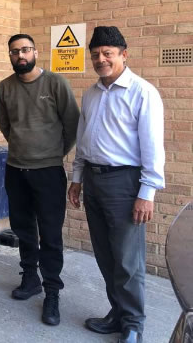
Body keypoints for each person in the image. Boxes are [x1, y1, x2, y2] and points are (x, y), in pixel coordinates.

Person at [68, 26, 165, 343]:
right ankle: (118, 313)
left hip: (125, 184)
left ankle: (134, 324)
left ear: (124, 54)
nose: (100, 59)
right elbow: (84, 140)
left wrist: (146, 194)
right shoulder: (91, 92)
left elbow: (152, 147)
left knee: (127, 259)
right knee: (105, 255)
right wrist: (77, 179)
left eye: (107, 53)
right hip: (93, 182)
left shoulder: (142, 92)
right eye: (95, 54)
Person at [0, 34, 80, 326]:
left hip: (48, 171)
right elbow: (6, 126)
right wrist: (23, 148)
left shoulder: (56, 84)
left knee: (50, 234)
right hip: (16, 170)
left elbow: (72, 125)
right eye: (15, 51)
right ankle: (30, 278)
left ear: (35, 52)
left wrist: (51, 153)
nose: (21, 55)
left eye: (26, 50)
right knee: (23, 229)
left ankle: (52, 292)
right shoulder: (4, 87)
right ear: (10, 55)